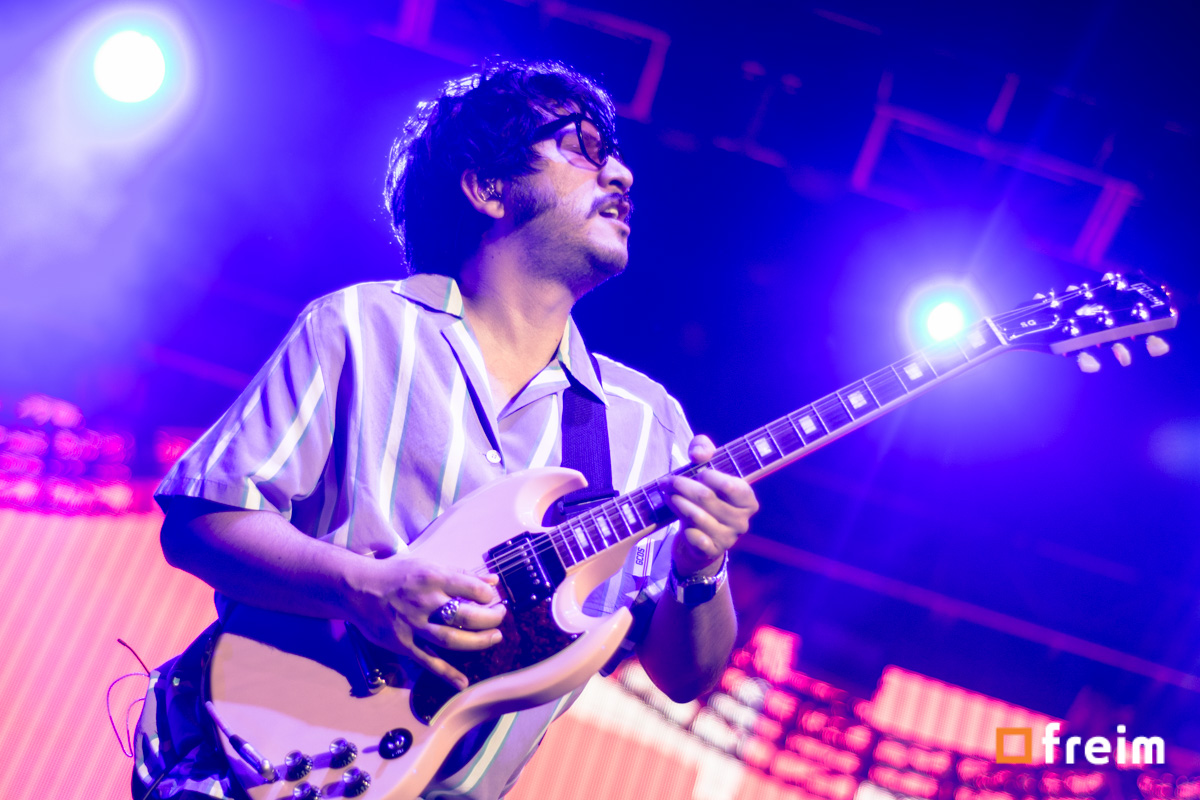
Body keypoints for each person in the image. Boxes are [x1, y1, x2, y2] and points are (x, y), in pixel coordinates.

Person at [132, 59, 759, 800]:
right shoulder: (360, 327)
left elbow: (685, 678)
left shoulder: (647, 424)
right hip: (253, 767)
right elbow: (199, 523)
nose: (619, 172)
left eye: (613, 155)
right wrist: (363, 589)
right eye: (581, 148)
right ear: (487, 188)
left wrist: (702, 566)